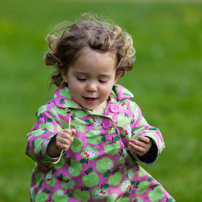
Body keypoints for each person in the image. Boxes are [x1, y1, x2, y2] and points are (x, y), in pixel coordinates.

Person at [25, 13, 175, 202]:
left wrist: (148, 144)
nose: (92, 87)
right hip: (68, 193)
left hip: (123, 190)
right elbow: (34, 141)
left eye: (102, 79)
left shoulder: (125, 106)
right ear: (64, 73)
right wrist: (53, 143)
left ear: (117, 76)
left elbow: (146, 130)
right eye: (81, 78)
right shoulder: (56, 111)